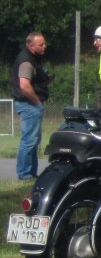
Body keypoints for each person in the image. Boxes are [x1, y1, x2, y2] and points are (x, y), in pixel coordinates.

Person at [11, 32, 50, 180]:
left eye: (44, 43)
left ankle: (31, 173)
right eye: (41, 44)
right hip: (29, 104)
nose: (44, 46)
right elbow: (24, 86)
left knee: (34, 139)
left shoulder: (33, 59)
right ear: (30, 45)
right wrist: (37, 102)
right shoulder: (26, 61)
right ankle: (24, 173)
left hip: (31, 104)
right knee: (29, 140)